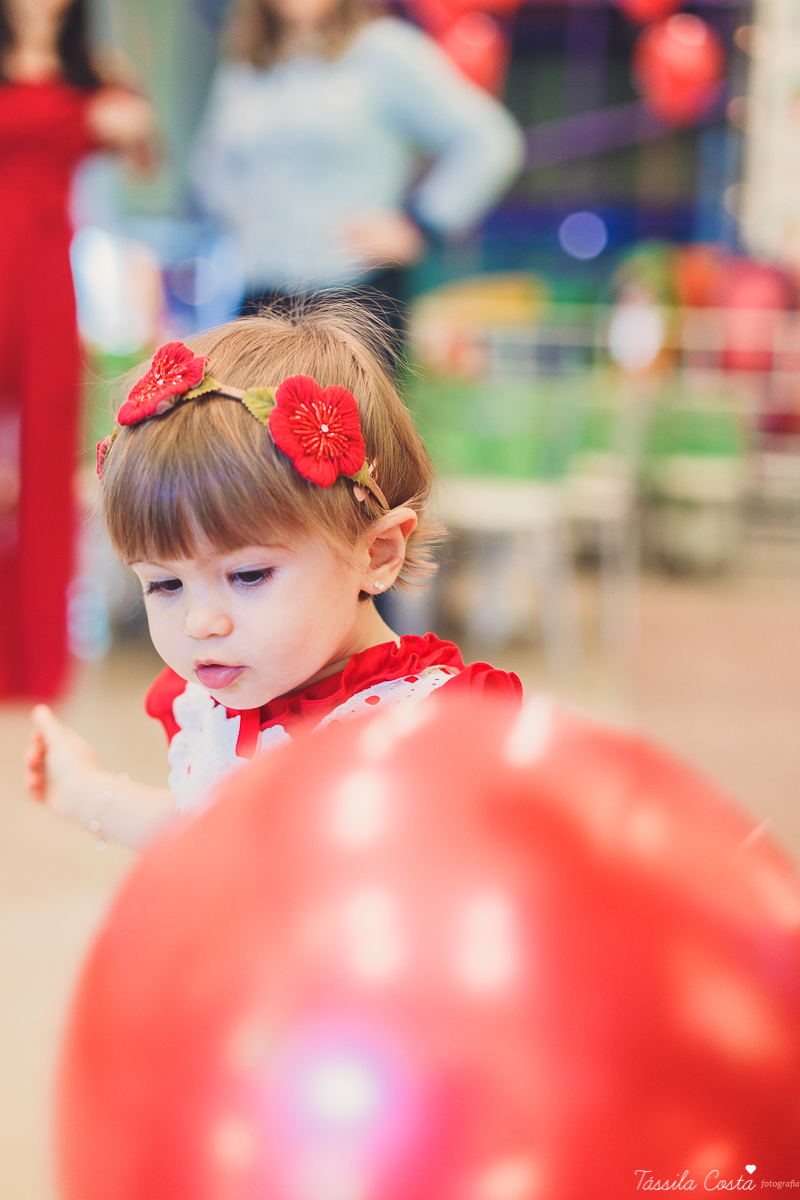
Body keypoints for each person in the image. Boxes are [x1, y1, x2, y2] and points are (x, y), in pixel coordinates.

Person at [26, 303, 522, 849]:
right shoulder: (218, 706)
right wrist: (86, 794)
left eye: (247, 576)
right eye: (165, 584)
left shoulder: (425, 736)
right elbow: (203, 835)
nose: (200, 622)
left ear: (377, 553)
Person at [190, 0, 524, 335]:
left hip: (351, 295)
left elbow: (489, 141)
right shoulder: (248, 64)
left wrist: (422, 224)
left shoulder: (385, 50)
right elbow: (211, 165)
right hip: (260, 297)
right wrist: (241, 225)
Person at [0, 0, 156, 701]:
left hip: (41, 276)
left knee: (45, 469)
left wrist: (127, 99)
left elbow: (147, 155)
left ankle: (36, 663)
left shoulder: (91, 72)